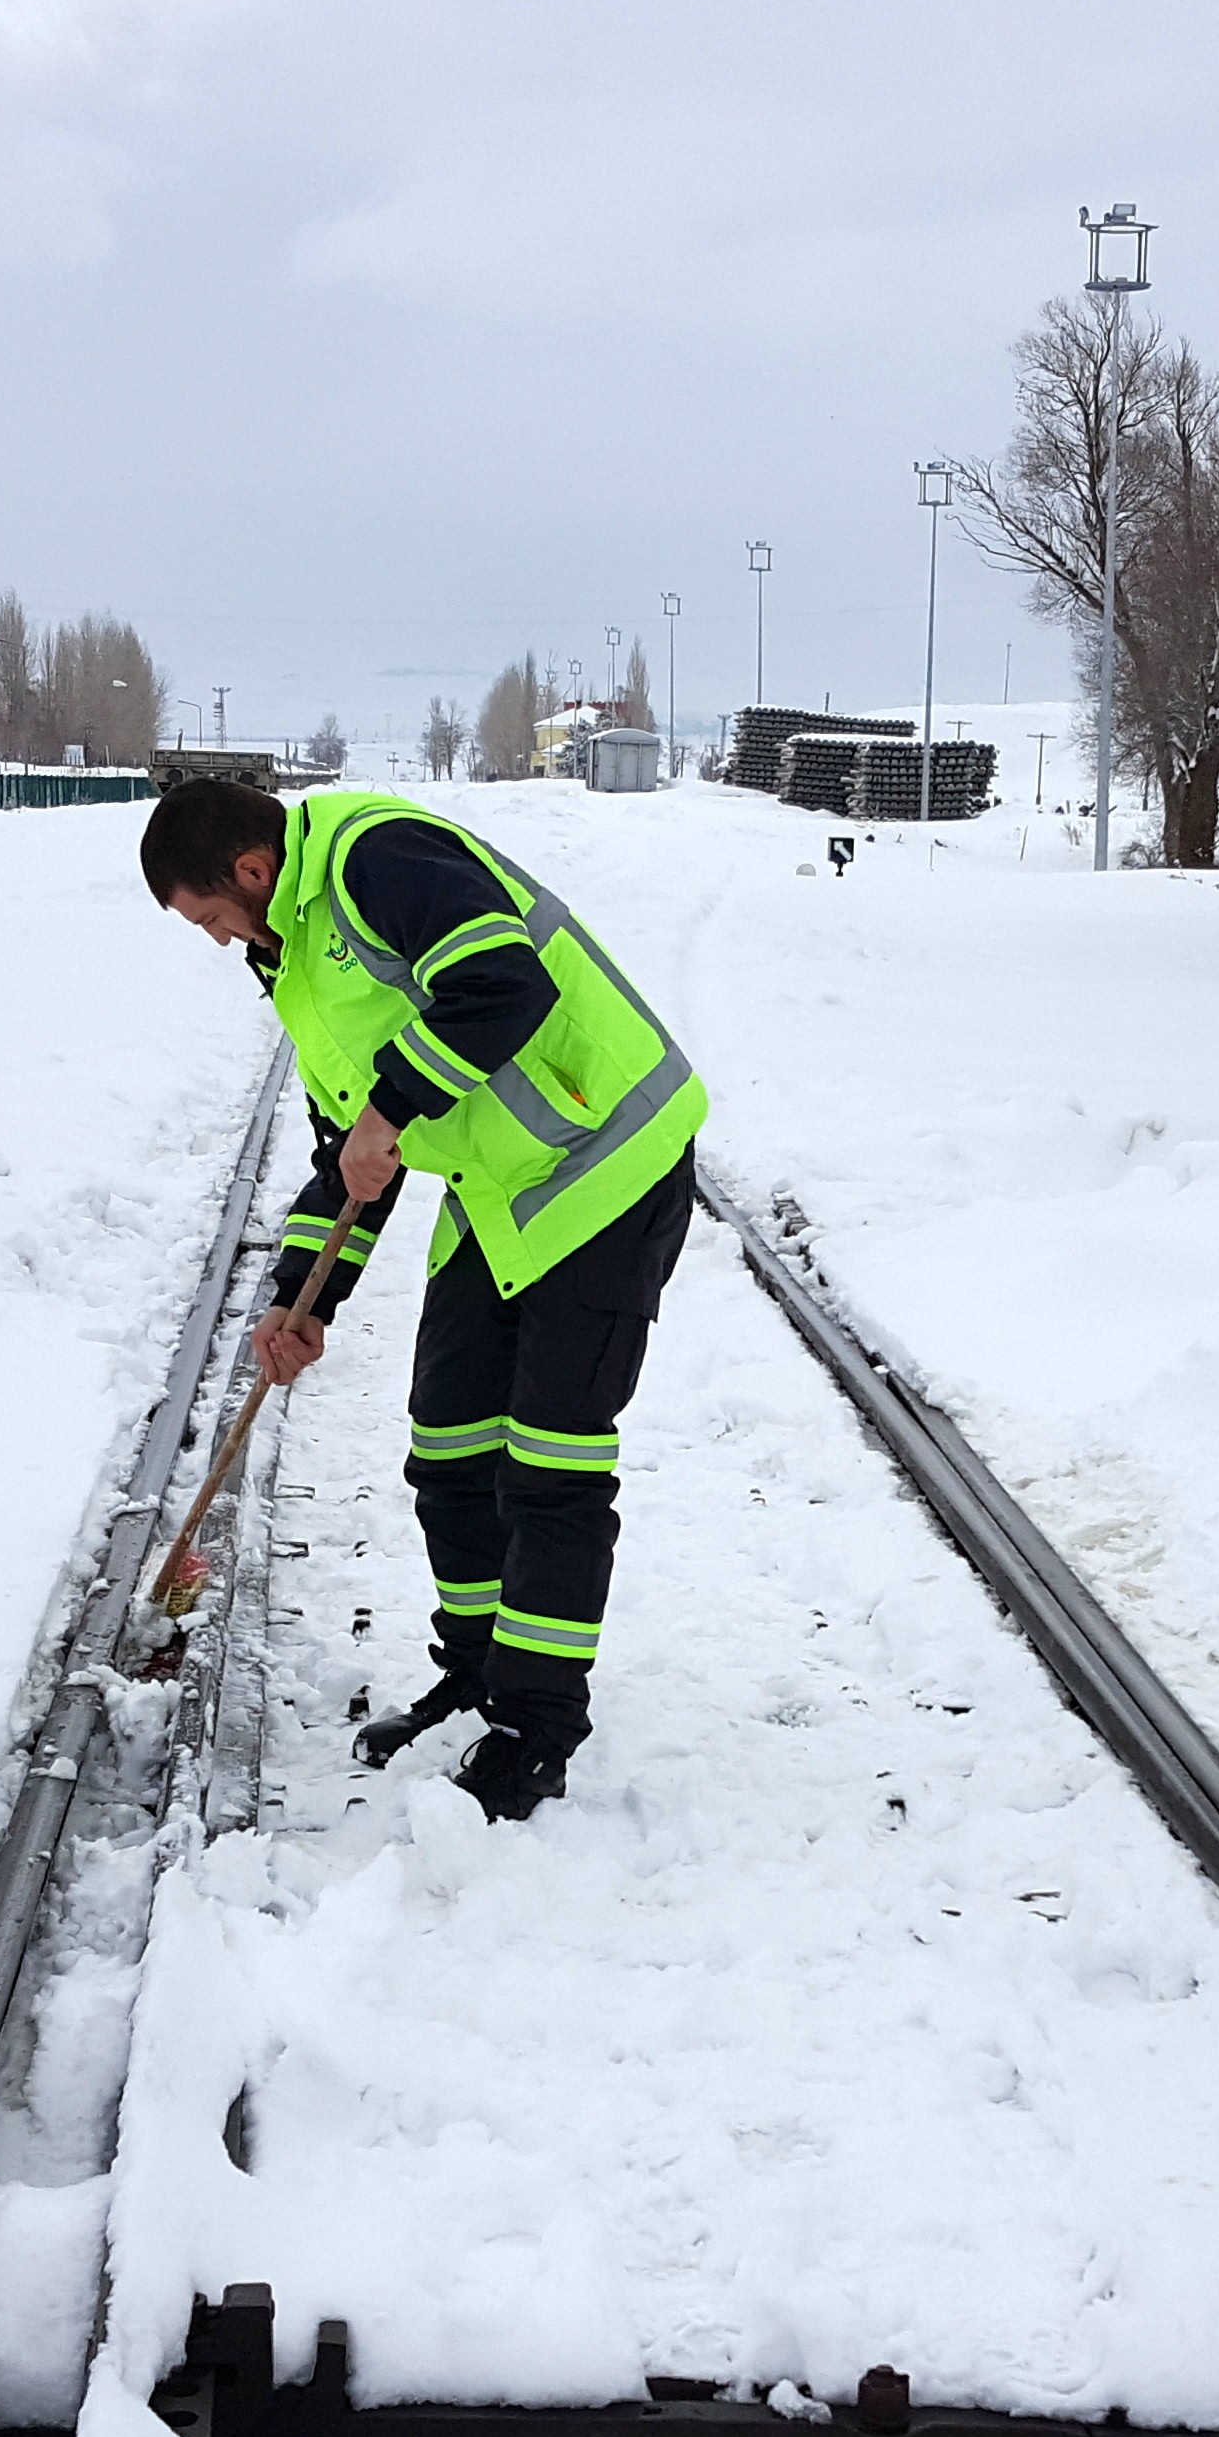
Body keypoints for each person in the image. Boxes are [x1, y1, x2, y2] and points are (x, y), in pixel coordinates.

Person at [141, 777, 712, 1820]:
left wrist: (392, 1107)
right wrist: (301, 1301)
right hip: (501, 1187)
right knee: (448, 1443)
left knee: (549, 1461)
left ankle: (535, 1728)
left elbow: (503, 984)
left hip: (605, 1161)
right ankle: (477, 1676)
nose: (222, 942)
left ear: (249, 871)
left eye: (211, 920)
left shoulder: (374, 857)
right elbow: (348, 1154)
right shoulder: (298, 964)